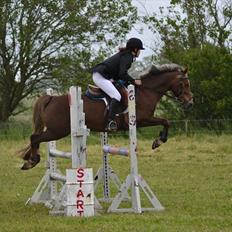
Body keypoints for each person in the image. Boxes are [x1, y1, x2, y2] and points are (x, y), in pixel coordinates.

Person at [91, 37, 144, 131]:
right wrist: (134, 81)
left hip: (104, 75)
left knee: (120, 88)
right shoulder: (128, 57)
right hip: (101, 76)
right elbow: (122, 74)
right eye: (139, 50)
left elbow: (119, 75)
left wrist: (128, 81)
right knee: (116, 96)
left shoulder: (125, 55)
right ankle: (110, 122)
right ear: (135, 49)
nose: (140, 52)